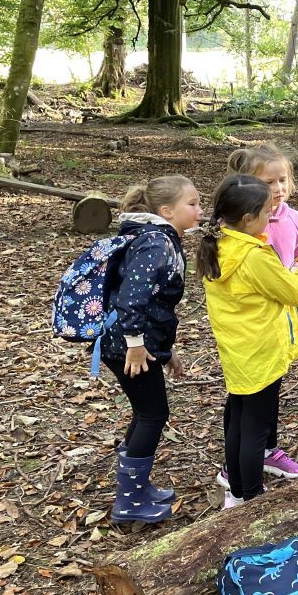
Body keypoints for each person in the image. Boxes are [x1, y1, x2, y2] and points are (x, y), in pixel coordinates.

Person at [199, 176, 298, 508]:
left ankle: (236, 490)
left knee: (238, 421)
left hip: (238, 350)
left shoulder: (221, 244)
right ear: (246, 220)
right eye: (266, 214)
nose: (271, 218)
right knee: (254, 430)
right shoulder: (252, 257)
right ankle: (253, 499)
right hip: (261, 352)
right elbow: (296, 291)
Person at [101, 176, 203, 525]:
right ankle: (129, 502)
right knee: (152, 414)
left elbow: (156, 303)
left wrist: (165, 351)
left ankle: (136, 488)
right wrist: (136, 346)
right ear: (165, 210)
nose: (200, 211)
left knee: (146, 412)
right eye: (192, 204)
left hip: (139, 343)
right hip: (127, 345)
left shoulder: (159, 238)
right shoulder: (156, 244)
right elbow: (133, 299)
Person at [224, 143, 298, 478]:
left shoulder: (294, 219)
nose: (278, 189)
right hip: (254, 329)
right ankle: (243, 466)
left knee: (270, 389)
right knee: (248, 397)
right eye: (269, 183)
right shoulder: (246, 227)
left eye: (283, 180)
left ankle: (265, 450)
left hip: (284, 320)